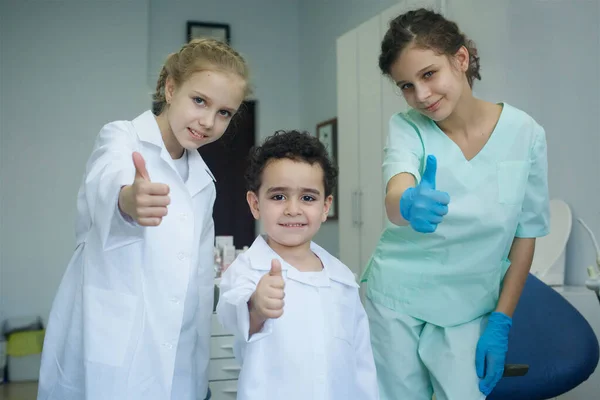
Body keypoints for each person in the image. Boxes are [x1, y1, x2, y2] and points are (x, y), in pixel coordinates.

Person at [37, 38, 251, 400]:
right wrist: (127, 201)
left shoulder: (203, 180)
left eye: (224, 113)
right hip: (114, 339)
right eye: (199, 100)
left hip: (180, 347)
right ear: (170, 88)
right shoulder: (122, 137)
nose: (208, 121)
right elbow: (107, 182)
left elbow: (197, 281)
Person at [361, 8, 550, 400]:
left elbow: (526, 234)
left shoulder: (526, 134)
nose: (421, 95)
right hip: (399, 297)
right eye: (406, 85)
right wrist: (408, 203)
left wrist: (502, 320)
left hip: (470, 304)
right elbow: (396, 193)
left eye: (429, 74)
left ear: (460, 60)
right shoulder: (408, 126)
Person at [216, 130, 379, 400]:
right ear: (255, 204)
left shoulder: (341, 278)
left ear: (326, 207)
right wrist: (256, 307)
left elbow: (361, 361)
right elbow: (232, 317)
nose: (293, 209)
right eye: (278, 197)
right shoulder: (247, 270)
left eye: (308, 198)